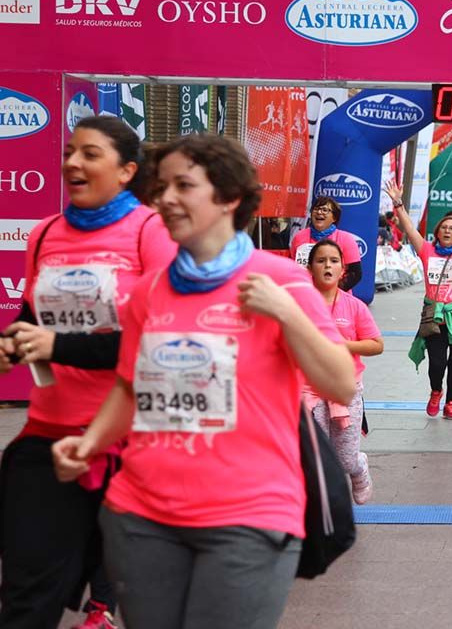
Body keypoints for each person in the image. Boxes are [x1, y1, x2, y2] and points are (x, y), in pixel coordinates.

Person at [49, 133, 356, 629]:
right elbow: (130, 388)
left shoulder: (280, 280)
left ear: (230, 197)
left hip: (249, 517)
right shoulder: (148, 290)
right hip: (141, 515)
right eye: (161, 186)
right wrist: (87, 444)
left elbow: (341, 383)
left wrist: (288, 315)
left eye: (183, 186)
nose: (165, 198)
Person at [0, 116, 175, 629]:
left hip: (137, 443)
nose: (73, 162)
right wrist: (11, 346)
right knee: (27, 595)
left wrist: (60, 345)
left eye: (90, 153)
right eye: (70, 151)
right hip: (51, 436)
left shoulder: (152, 232)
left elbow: (158, 343)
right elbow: (32, 321)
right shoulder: (45, 233)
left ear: (125, 171)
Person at [390, 182, 452, 420]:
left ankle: (451, 403)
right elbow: (409, 229)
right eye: (443, 228)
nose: (447, 231)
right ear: (437, 232)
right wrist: (398, 204)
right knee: (436, 363)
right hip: (434, 316)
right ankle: (436, 391)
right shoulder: (426, 251)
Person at [305, 238, 383, 505]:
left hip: (346, 390)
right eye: (321, 260)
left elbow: (376, 344)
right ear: (310, 268)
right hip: (309, 391)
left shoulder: (355, 306)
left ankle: (359, 468)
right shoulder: (299, 305)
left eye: (334, 261)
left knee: (345, 458)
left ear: (343, 270)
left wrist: (343, 344)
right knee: (315, 455)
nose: (328, 265)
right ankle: (323, 509)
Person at [289, 196, 364, 289]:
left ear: (334, 218)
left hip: (335, 295)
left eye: (325, 210)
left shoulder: (346, 239)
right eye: (316, 209)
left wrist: (331, 291)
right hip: (305, 293)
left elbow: (355, 274)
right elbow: (292, 266)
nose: (319, 212)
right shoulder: (299, 237)